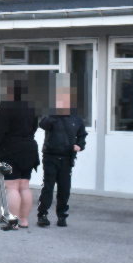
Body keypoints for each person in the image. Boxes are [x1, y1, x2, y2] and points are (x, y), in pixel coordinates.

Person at [37, 77, 87, 228]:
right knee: (48, 187)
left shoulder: (76, 119)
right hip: (50, 156)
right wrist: (56, 113)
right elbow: (43, 124)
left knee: (64, 189)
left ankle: (62, 216)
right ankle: (42, 215)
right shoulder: (52, 116)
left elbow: (82, 135)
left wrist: (79, 145)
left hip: (67, 158)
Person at [0, 80, 39, 228]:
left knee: (11, 186)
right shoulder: (32, 106)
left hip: (11, 149)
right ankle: (24, 220)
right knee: (24, 185)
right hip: (30, 148)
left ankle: (12, 221)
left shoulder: (6, 106)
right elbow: (34, 127)